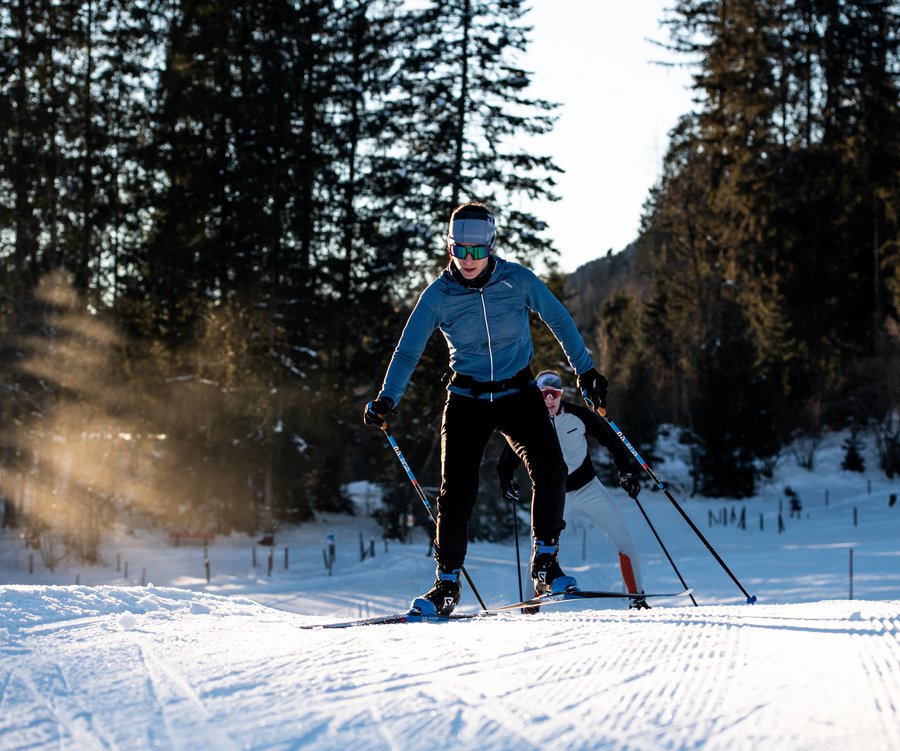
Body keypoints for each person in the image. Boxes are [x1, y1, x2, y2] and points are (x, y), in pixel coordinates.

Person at [364, 202, 607, 616]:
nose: (468, 260)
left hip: (518, 394)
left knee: (551, 470)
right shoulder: (438, 295)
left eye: (477, 251)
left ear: (491, 247)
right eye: (460, 250)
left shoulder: (518, 280)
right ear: (450, 248)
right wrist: (389, 397)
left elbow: (560, 320)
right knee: (455, 492)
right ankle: (446, 585)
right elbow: (408, 351)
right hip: (467, 401)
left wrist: (586, 371)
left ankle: (546, 564)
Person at [497, 370, 650, 609]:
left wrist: (625, 472)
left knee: (625, 541)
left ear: (561, 394)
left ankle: (637, 600)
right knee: (539, 551)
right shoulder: (529, 422)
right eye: (544, 394)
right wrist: (506, 481)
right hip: (554, 498)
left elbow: (612, 440)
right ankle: (531, 607)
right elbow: (507, 459)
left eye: (554, 394)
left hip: (590, 489)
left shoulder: (578, 415)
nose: (549, 400)